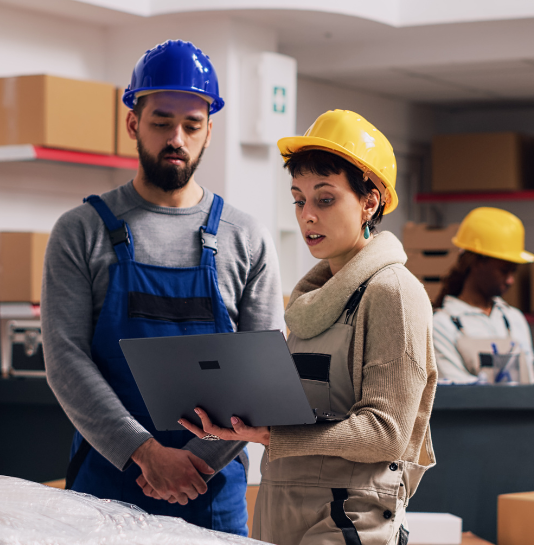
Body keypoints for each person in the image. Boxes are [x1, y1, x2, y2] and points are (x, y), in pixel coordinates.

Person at [40, 39, 284, 535]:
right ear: (133, 123)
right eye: (161, 122)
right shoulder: (81, 231)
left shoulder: (246, 237)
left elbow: (261, 372)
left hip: (210, 487)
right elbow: (65, 361)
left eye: (192, 125)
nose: (177, 138)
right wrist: (144, 453)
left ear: (209, 131)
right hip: (106, 483)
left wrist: (194, 464)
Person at [180, 109, 437, 545]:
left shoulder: (393, 292)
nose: (307, 216)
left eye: (325, 199)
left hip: (347, 514)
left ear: (370, 202)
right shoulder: (310, 303)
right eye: (299, 200)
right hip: (279, 505)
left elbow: (386, 434)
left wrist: (275, 435)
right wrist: (236, 414)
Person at [431, 207, 534, 384]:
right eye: (504, 270)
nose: (510, 280)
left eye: (513, 271)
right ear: (476, 262)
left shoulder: (514, 319)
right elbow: (456, 392)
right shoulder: (441, 326)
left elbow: (531, 383)